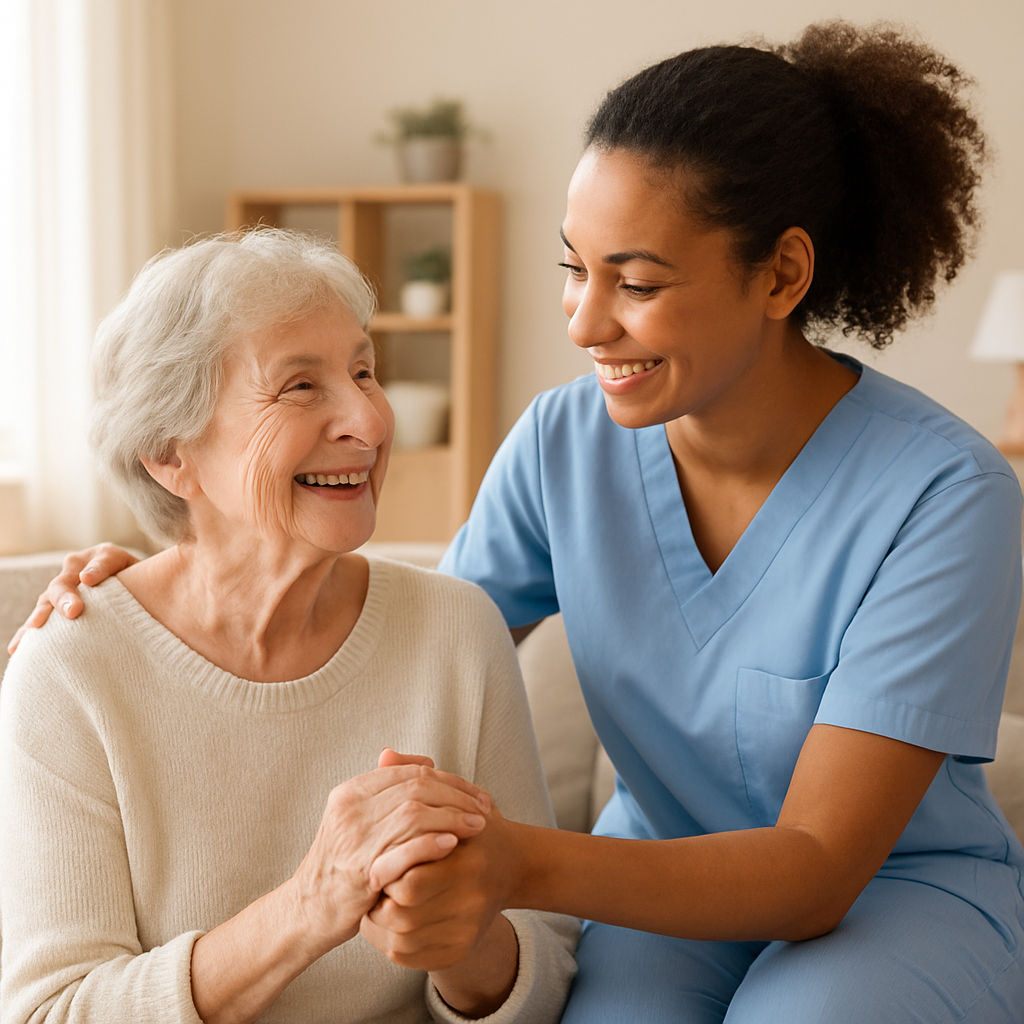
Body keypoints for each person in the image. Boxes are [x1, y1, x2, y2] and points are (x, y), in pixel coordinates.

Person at [15, 20, 1024, 1021]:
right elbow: (391, 643)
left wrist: (516, 864)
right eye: (573, 269)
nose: (584, 323)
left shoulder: (944, 494)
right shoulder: (563, 443)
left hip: (883, 895)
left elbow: (814, 868)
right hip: (654, 889)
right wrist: (169, 579)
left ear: (781, 275)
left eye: (635, 281)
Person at [0, 228, 578, 1024]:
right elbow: (51, 1013)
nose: (368, 422)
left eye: (364, 371)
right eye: (300, 387)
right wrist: (315, 902)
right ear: (171, 454)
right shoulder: (71, 671)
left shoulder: (457, 629)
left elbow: (547, 965)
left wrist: (462, 937)